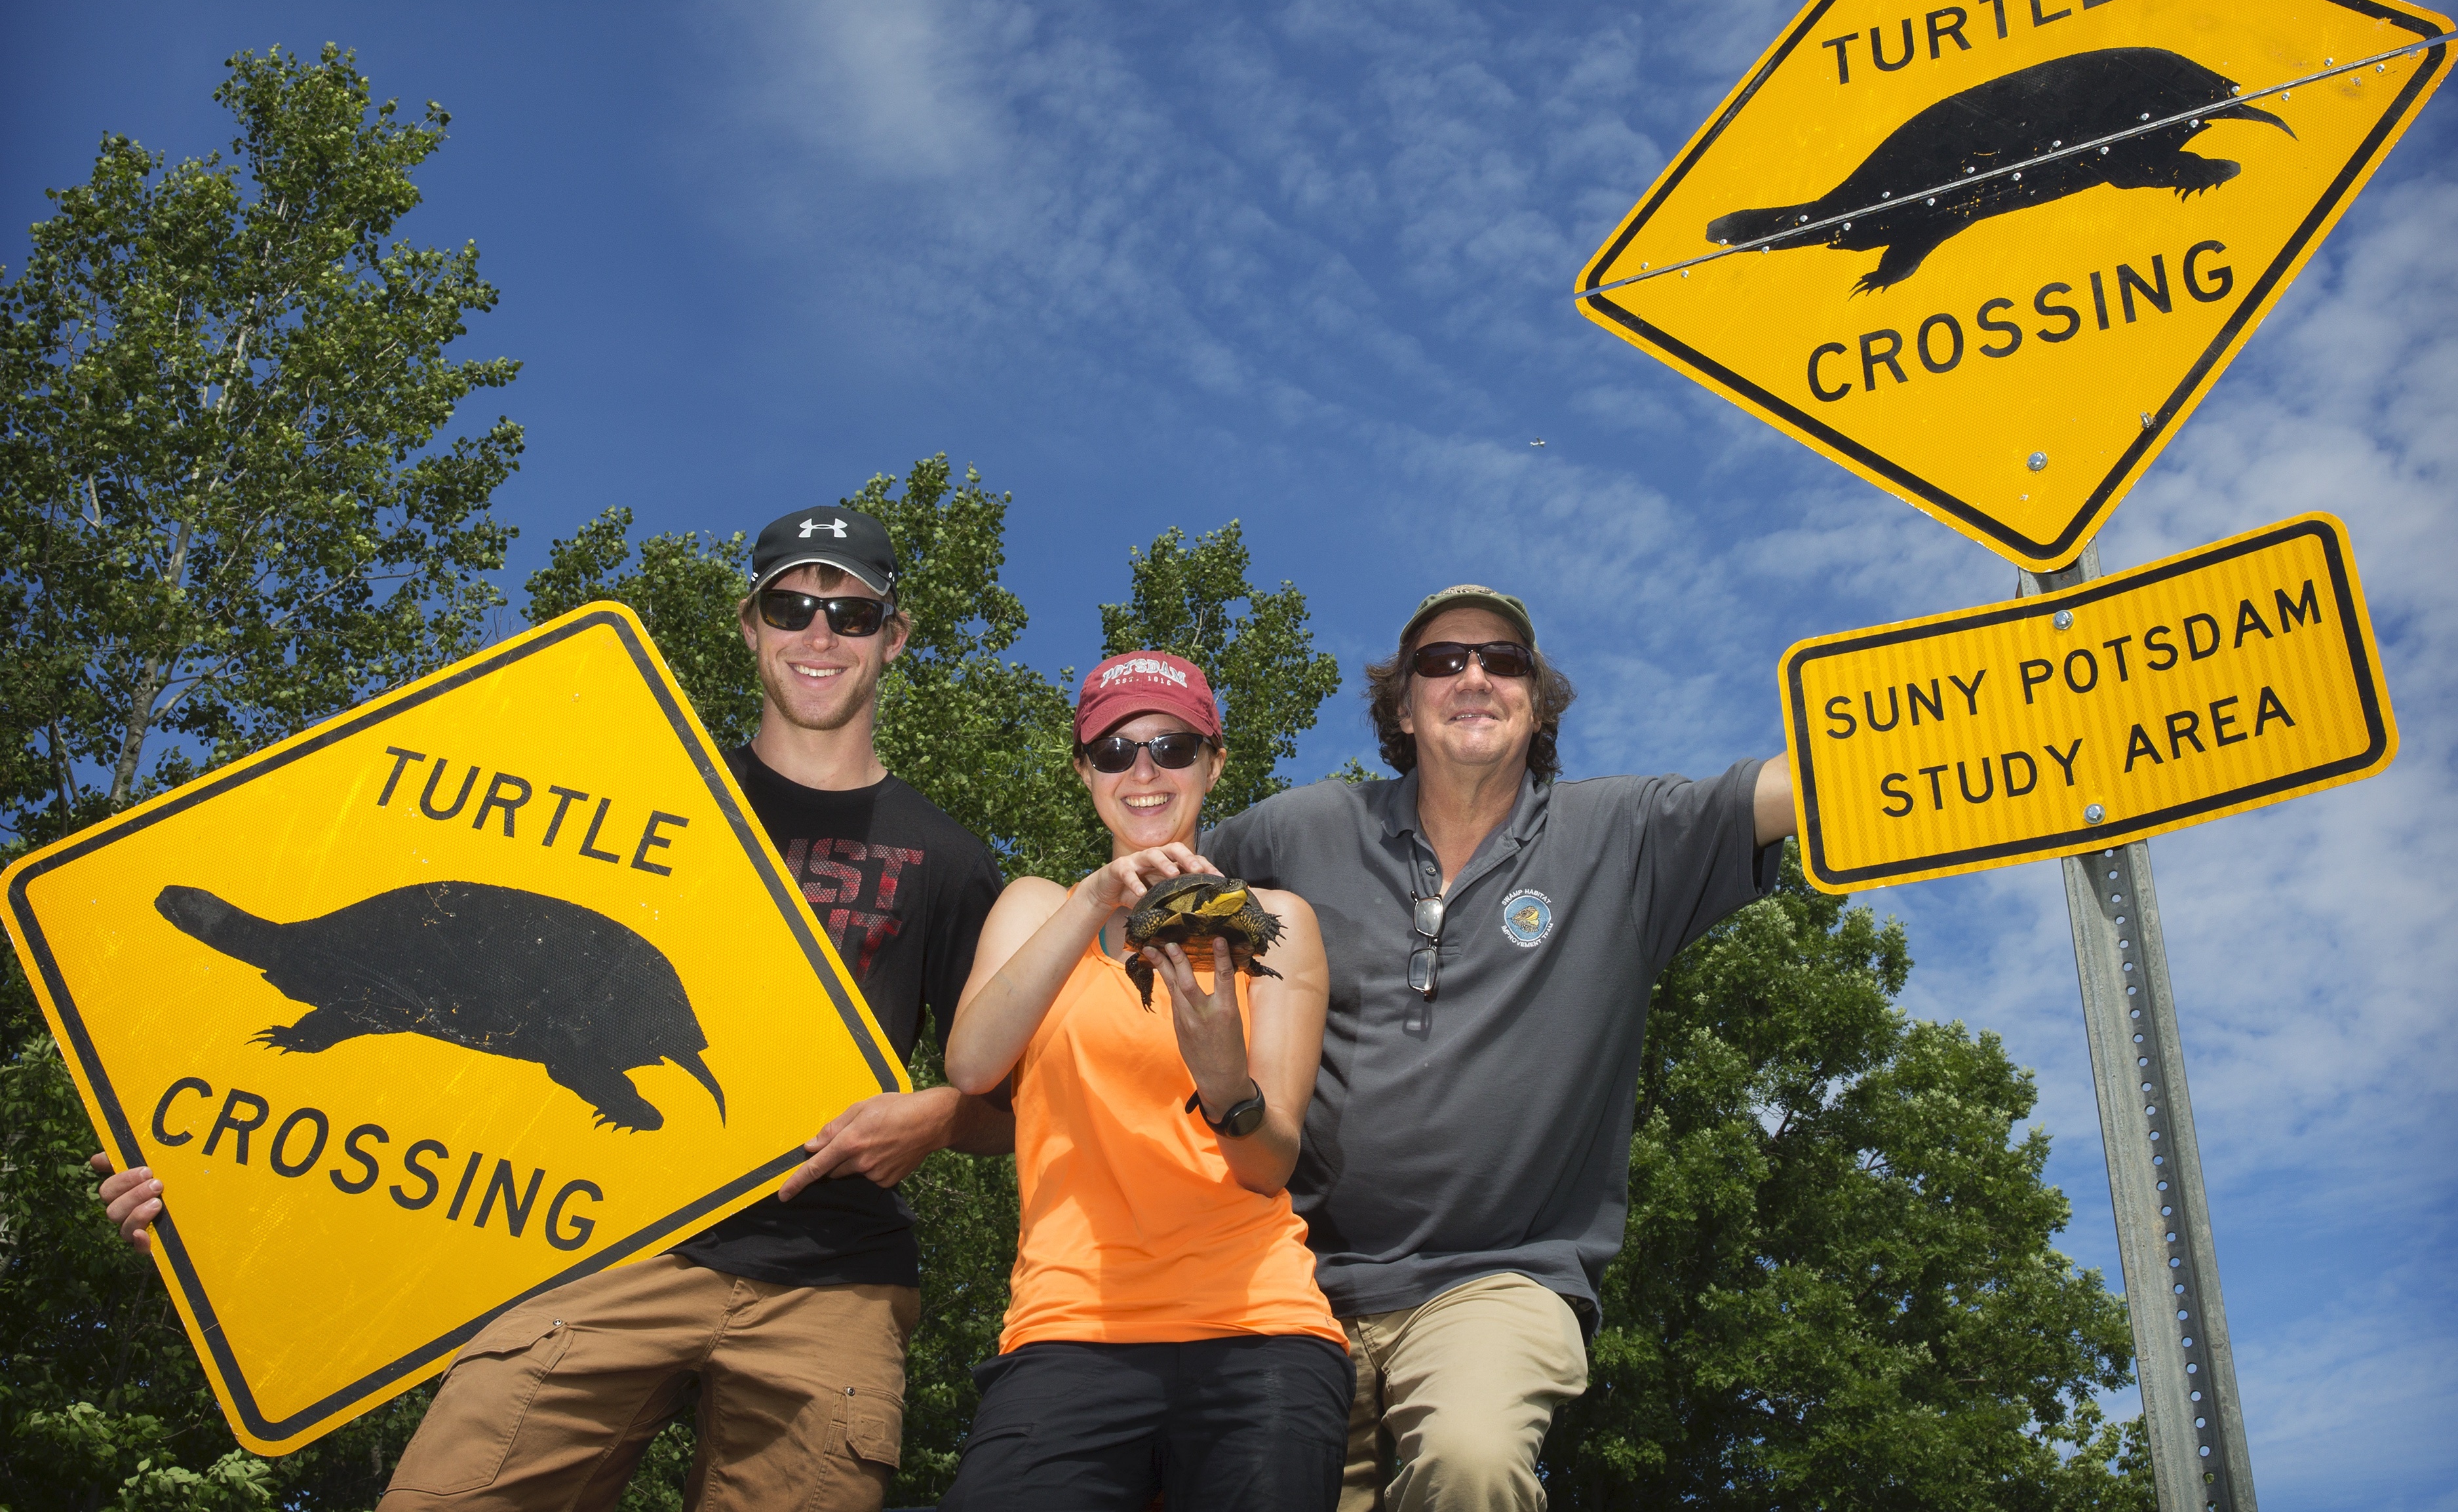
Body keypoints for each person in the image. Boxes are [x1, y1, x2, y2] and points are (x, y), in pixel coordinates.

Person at [95, 505, 1011, 1512]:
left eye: (852, 613)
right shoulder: (635, 804)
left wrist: (933, 1117)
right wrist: (203, 1187)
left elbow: (1016, 1104)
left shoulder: (949, 857)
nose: (819, 635)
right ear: (750, 625)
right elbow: (440, 1051)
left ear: (894, 635)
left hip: (829, 1276)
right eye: (791, 607)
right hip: (591, 1243)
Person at [1199, 583, 1796, 1512]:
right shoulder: (1297, 832)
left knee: (1470, 1461)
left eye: (1503, 660)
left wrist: (2001, 682)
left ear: (1537, 701)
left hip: (1499, 1278)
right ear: (1403, 706)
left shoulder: (1623, 836)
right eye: (1441, 661)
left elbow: (1801, 785)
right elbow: (1146, 891)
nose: (1473, 676)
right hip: (1293, 1285)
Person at [935, 649, 1352, 1511]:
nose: (1145, 771)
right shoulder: (1036, 907)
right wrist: (1095, 900)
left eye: (1172, 746)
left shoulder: (1274, 924)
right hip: (1067, 1327)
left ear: (1214, 762)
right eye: (1115, 751)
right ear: (1084, 772)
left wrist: (1225, 1084)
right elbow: (972, 1065)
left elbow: (1269, 1164)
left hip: (1258, 1327)